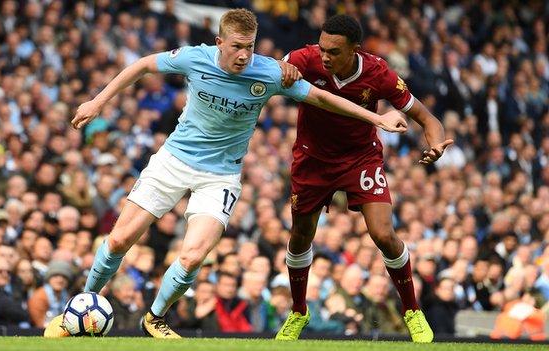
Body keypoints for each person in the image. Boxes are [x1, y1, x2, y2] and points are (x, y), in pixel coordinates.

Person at [45, 8, 407, 339]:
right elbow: (141, 65)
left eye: (249, 47)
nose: (243, 55)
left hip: (220, 176)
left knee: (193, 256)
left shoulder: (268, 72)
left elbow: (324, 98)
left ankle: (154, 318)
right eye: (236, 47)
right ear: (219, 42)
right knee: (120, 240)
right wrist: (97, 101)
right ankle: (81, 305)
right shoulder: (194, 58)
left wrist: (378, 118)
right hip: (173, 161)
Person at [275, 15, 453, 342]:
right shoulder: (306, 58)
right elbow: (274, 68)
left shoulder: (378, 73)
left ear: (354, 50)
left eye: (334, 51)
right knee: (300, 236)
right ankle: (299, 311)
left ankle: (412, 310)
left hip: (360, 158)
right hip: (311, 159)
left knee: (384, 234)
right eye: (323, 47)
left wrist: (435, 143)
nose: (325, 56)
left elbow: (427, 118)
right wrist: (281, 68)